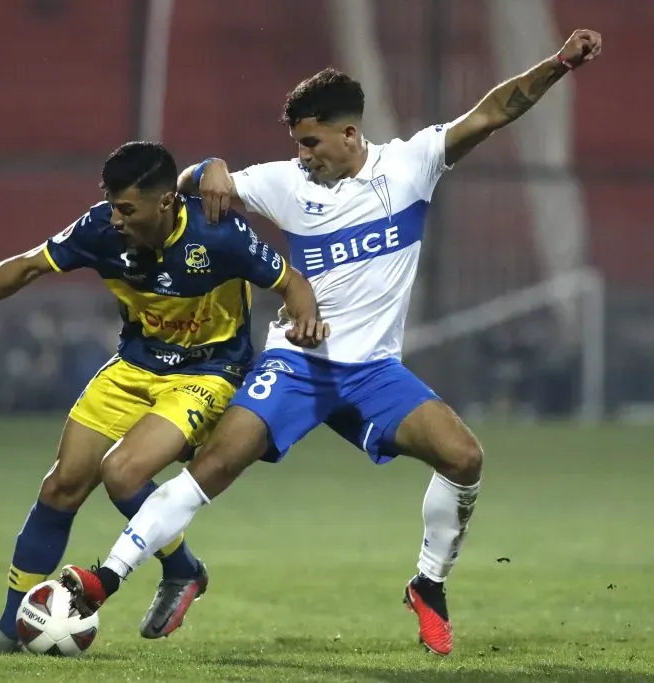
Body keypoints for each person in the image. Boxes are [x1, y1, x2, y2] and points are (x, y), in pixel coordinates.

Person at [60, 30, 603, 656]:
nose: (302, 155)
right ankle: (106, 579)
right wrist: (204, 167)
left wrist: (560, 62)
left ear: (350, 134)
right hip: (296, 365)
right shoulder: (285, 182)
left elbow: (495, 110)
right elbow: (182, 190)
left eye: (311, 142)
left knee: (464, 457)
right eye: (297, 143)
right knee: (212, 468)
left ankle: (429, 585)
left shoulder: (411, 164)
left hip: (372, 372)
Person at [0, 141, 325, 654]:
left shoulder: (216, 234)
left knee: (122, 473)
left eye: (126, 208)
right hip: (134, 366)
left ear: (165, 203)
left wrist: (305, 321)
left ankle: (179, 570)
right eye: (112, 205)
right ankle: (13, 627)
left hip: (207, 373)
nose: (115, 218)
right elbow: (30, 265)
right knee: (61, 486)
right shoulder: (100, 230)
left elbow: (290, 281)